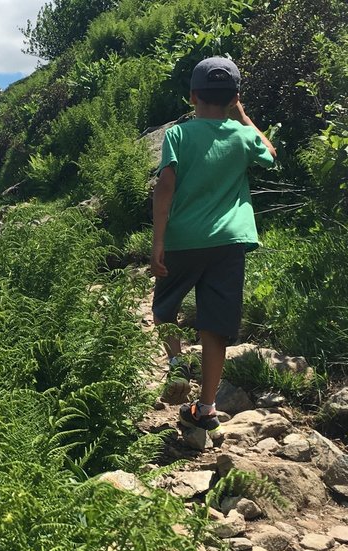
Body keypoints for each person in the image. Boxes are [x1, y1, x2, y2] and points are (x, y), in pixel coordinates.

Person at [151, 56, 277, 436]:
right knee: (215, 325)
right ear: (234, 97)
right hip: (229, 242)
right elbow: (271, 154)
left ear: (193, 96)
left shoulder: (178, 135)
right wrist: (242, 115)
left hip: (184, 240)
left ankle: (176, 364)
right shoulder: (242, 136)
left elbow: (165, 187)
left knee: (163, 308)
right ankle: (206, 408)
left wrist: (158, 241)